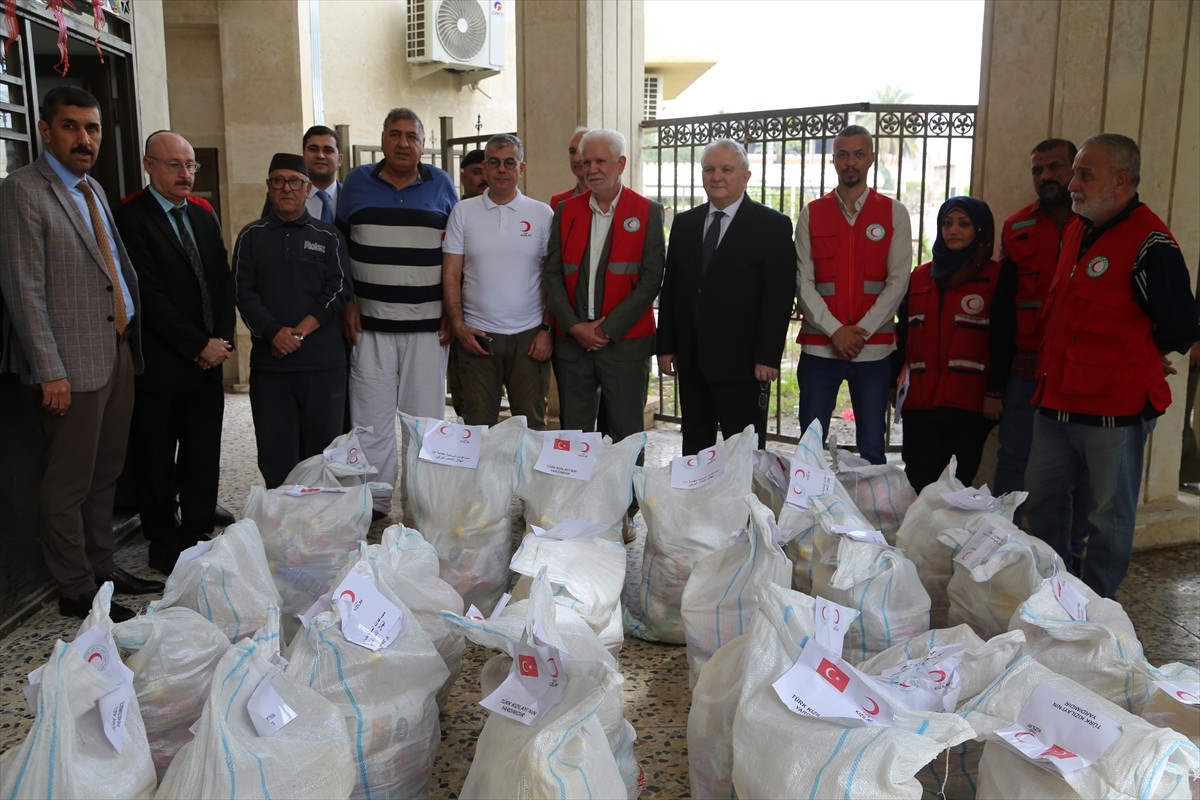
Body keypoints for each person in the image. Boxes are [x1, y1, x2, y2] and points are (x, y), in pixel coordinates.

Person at [0, 86, 163, 621]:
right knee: (67, 481)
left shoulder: (91, 189)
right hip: (69, 366)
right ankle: (75, 588)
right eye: (71, 126)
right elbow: (25, 289)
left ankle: (103, 569)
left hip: (115, 352)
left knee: (105, 475)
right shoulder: (24, 191)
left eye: (91, 128)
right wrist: (49, 370)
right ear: (46, 130)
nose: (84, 138)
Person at [1023, 133, 1200, 599]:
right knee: (1042, 504)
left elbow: (1182, 325)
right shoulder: (1080, 227)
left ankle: (1097, 607)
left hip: (1112, 411)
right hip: (1055, 399)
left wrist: (1142, 350)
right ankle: (1051, 598)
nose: (1073, 184)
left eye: (1085, 174)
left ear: (1120, 181)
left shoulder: (1152, 243)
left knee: (1108, 516)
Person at [114, 131, 235, 574]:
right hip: (163, 366)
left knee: (203, 452)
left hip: (207, 362)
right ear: (149, 165)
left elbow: (223, 281)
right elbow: (148, 296)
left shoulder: (202, 215)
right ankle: (163, 541)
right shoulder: (130, 218)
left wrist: (219, 341)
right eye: (174, 165)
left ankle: (197, 530)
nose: (185, 174)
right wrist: (196, 345)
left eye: (190, 165)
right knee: (157, 457)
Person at [338, 108, 458, 518]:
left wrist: (451, 309)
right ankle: (375, 503)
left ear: (423, 145)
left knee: (424, 425)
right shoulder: (356, 183)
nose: (403, 143)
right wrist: (349, 300)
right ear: (383, 139)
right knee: (370, 422)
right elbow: (339, 248)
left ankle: (421, 503)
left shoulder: (442, 184)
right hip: (370, 327)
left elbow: (454, 251)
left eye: (411, 136)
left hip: (427, 329)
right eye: (395, 134)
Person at [656, 138, 796, 454]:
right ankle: (696, 502)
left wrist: (768, 355)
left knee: (742, 450)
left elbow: (779, 295)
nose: (716, 176)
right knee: (695, 444)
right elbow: (672, 288)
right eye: (709, 169)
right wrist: (665, 346)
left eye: (726, 169)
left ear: (745, 176)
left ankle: (741, 505)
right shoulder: (684, 223)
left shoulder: (771, 226)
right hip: (691, 360)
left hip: (744, 364)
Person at [794, 125, 912, 463]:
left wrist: (858, 333)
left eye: (859, 154)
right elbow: (803, 281)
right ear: (833, 160)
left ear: (871, 158)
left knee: (873, 444)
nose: (851, 162)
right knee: (810, 443)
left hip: (872, 352)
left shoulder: (893, 213)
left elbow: (897, 281)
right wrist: (835, 331)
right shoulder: (812, 213)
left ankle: (869, 514)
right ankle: (808, 510)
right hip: (820, 349)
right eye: (843, 155)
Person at [543, 127, 665, 446]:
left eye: (601, 161)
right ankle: (579, 496)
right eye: (586, 162)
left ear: (621, 164)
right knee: (574, 434)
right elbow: (553, 273)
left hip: (625, 345)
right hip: (573, 345)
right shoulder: (566, 211)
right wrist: (574, 327)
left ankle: (625, 498)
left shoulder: (647, 212)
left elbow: (651, 278)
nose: (592, 170)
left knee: (625, 434)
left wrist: (606, 329)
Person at [233, 153, 349, 488]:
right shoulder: (251, 236)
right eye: (279, 181)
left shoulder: (327, 236)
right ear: (269, 187)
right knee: (276, 454)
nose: (287, 188)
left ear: (307, 187)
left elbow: (338, 288)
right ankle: (281, 529)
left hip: (323, 367)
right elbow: (243, 291)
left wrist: (300, 332)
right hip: (272, 368)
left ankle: (321, 528)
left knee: (322, 456)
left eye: (295, 181)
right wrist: (273, 333)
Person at [892, 196, 1014, 492]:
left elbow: (1004, 338)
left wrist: (995, 392)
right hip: (921, 403)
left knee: (958, 486)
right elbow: (903, 336)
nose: (953, 230)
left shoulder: (997, 276)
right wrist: (892, 385)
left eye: (963, 223)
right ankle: (918, 539)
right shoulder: (920, 276)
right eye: (947, 223)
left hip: (969, 404)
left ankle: (949, 538)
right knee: (919, 479)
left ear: (980, 230)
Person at [442, 134, 554, 428]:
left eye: (509, 163)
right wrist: (458, 326)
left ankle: (527, 478)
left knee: (531, 428)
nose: (501, 169)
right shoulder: (463, 212)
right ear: (485, 167)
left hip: (529, 338)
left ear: (522, 168)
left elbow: (552, 277)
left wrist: (546, 329)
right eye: (494, 163)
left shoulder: (542, 214)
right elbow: (451, 274)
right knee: (477, 428)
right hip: (478, 337)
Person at [260, 124, 344, 222]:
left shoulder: (351, 197)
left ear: (340, 160)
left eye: (328, 150)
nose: (320, 156)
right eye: (313, 149)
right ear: (303, 156)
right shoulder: (282, 195)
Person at [549, 126, 589, 210]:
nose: (576, 158)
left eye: (582, 151)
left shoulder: (613, 199)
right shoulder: (559, 202)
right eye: (572, 151)